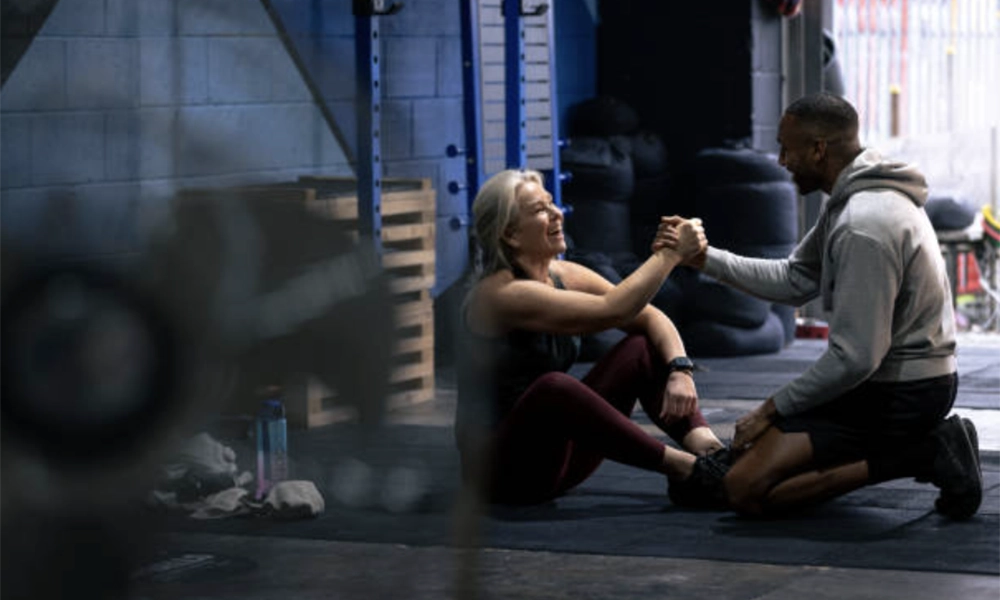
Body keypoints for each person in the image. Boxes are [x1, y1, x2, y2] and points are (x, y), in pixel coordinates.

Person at [657, 93, 982, 519]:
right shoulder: (852, 201)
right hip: (883, 382)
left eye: (786, 149)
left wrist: (770, 409)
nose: (781, 161)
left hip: (901, 392)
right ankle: (905, 448)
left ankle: (924, 453)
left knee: (743, 489)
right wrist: (703, 258)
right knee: (746, 462)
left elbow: (856, 358)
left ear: (818, 150)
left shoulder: (864, 225)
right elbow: (795, 279)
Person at [454, 168, 729, 507]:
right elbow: (613, 309)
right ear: (510, 234)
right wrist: (671, 253)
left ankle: (713, 453)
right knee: (553, 387)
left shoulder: (562, 274)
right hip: (503, 475)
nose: (557, 213)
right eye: (540, 209)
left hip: (559, 461)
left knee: (640, 347)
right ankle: (688, 469)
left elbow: (649, 316)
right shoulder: (499, 295)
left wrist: (680, 369)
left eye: (552, 203)